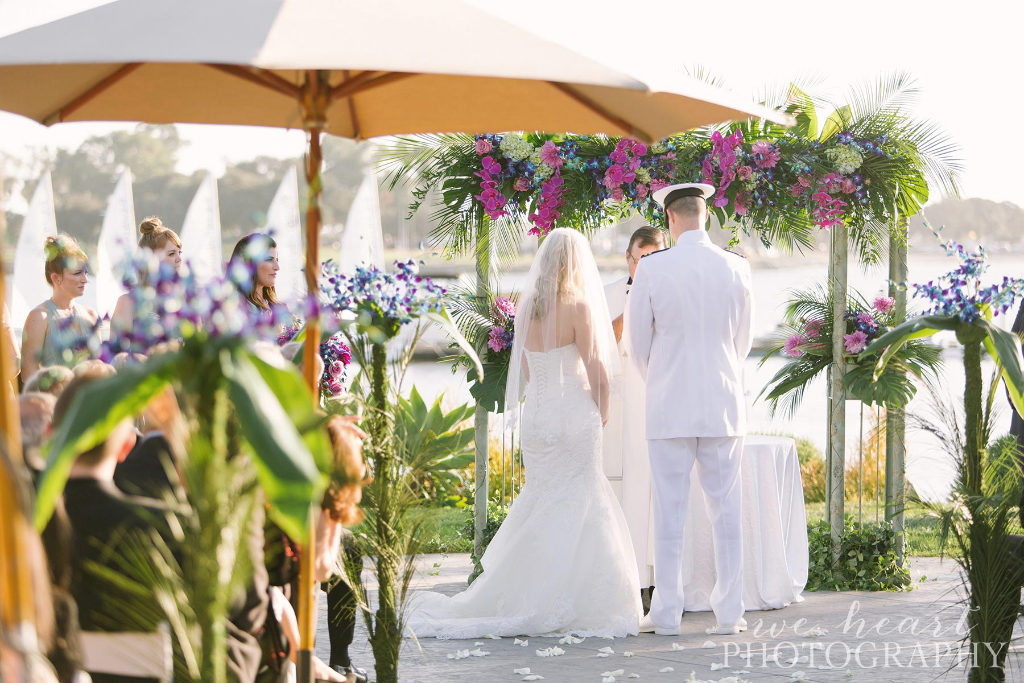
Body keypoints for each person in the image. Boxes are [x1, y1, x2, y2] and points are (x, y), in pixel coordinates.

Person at [406, 227, 641, 639]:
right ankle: (574, 596)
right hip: (573, 416)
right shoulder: (581, 307)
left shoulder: (527, 305)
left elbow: (529, 370)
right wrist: (602, 410)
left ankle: (525, 589)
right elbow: (595, 368)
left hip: (539, 417)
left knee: (542, 499)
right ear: (574, 264)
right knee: (584, 501)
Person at [627, 183, 753, 637]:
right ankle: (729, 614)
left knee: (669, 513)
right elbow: (743, 342)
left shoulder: (653, 268)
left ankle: (667, 615)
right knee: (727, 512)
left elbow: (637, 344)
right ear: (706, 214)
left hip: (668, 405)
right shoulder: (737, 266)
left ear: (671, 219)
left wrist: (662, 380)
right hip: (723, 403)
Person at [603, 225, 666, 610]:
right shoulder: (608, 294)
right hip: (622, 401)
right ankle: (627, 576)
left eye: (654, 259)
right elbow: (597, 347)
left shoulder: (670, 295)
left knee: (657, 491)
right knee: (623, 487)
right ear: (628, 259)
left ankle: (658, 578)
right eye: (641, 259)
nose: (646, 267)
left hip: (658, 400)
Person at [20, 235, 98, 380]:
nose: (85, 280)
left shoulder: (92, 315)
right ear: (56, 278)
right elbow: (28, 375)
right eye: (77, 273)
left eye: (86, 273)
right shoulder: (39, 317)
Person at [109, 217, 183, 340]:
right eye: (171, 254)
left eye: (179, 252)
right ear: (151, 258)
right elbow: (118, 354)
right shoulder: (127, 302)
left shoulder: (184, 301)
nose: (179, 259)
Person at [229, 233, 280, 316]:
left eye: (277, 260)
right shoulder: (238, 310)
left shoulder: (277, 307)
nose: (277, 267)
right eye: (269, 259)